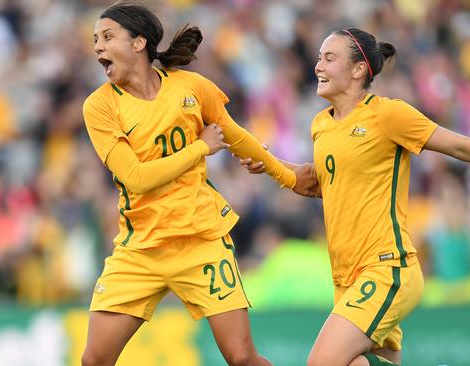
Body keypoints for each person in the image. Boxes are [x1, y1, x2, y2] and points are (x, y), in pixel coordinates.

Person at [239, 28, 470, 366]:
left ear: (358, 70)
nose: (318, 66)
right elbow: (316, 181)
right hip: (347, 278)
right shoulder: (320, 125)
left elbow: (461, 146)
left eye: (329, 58)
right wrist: (269, 164)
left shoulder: (387, 115)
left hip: (387, 269)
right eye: (318, 58)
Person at [80, 2, 316, 366]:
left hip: (201, 239)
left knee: (242, 358)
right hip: (141, 247)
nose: (97, 46)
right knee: (94, 361)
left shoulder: (191, 88)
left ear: (139, 43)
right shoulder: (100, 107)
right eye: (96, 39)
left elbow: (235, 135)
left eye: (108, 37)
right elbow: (136, 178)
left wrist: (287, 175)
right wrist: (201, 148)